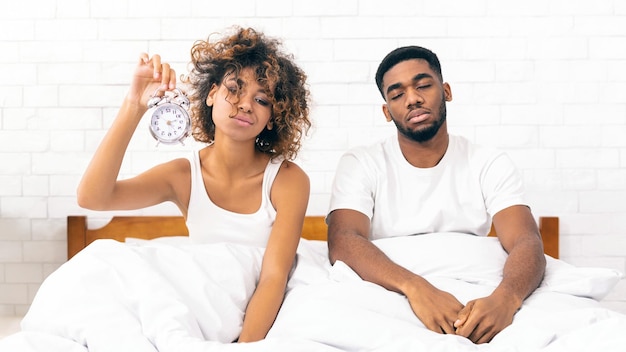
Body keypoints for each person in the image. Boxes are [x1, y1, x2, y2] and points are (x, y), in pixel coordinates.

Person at [77, 26, 311, 343]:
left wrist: (243, 349)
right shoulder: (183, 176)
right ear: (211, 94)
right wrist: (134, 105)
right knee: (101, 262)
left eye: (261, 99)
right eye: (234, 89)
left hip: (266, 315)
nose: (245, 105)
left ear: (272, 116)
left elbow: (273, 276)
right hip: (206, 308)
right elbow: (92, 197)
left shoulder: (287, 179)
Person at [326, 45, 546, 344]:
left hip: (479, 289)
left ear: (446, 91)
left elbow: (525, 240)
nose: (413, 99)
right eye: (397, 94)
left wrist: (507, 299)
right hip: (391, 289)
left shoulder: (487, 162)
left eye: (423, 86)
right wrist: (416, 288)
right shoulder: (362, 162)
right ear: (386, 111)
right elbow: (344, 242)